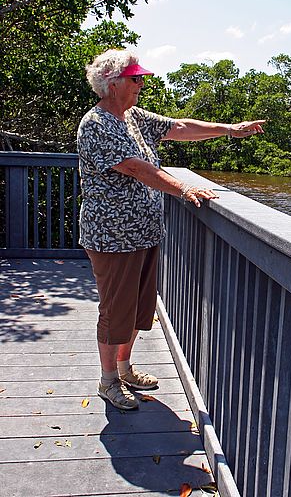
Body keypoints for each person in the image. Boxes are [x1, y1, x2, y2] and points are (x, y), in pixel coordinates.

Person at [77, 48, 265, 410]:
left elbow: (177, 127)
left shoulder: (131, 116)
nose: (142, 85)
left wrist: (228, 129)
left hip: (145, 231)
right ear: (113, 85)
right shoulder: (98, 124)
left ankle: (125, 367)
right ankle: (108, 381)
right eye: (136, 79)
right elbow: (137, 168)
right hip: (112, 236)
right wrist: (183, 188)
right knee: (116, 311)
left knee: (138, 308)